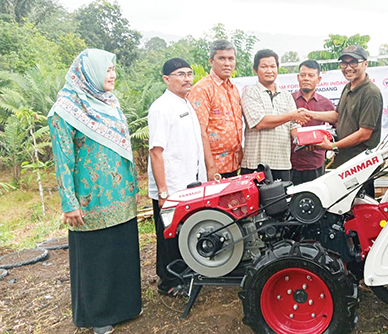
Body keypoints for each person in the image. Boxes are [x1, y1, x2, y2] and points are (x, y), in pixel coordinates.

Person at [48, 49, 141, 334]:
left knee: (121, 252)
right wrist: (69, 203)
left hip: (120, 196)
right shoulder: (64, 110)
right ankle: (98, 316)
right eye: (106, 69)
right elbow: (63, 159)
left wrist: (133, 185)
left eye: (113, 69)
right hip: (90, 201)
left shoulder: (109, 103)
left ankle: (126, 306)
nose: (112, 75)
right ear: (88, 72)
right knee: (96, 259)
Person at [148, 58, 209, 296]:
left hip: (189, 183)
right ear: (166, 79)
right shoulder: (161, 108)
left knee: (184, 232)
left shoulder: (185, 104)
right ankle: (169, 282)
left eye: (189, 74)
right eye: (180, 74)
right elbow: (156, 152)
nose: (186, 79)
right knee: (168, 236)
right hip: (171, 187)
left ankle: (186, 276)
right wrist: (163, 191)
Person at [310, 45, 383, 197]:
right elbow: (338, 116)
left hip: (360, 166)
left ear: (365, 64)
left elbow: (364, 134)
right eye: (344, 63)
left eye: (354, 62)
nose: (348, 68)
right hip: (345, 165)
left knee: (361, 211)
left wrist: (333, 145)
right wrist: (309, 114)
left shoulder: (371, 93)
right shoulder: (348, 87)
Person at [240, 49, 311, 181]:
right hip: (256, 164)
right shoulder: (250, 92)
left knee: (282, 201)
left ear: (277, 69)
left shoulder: (286, 95)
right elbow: (260, 123)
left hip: (282, 164)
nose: (269, 70)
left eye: (273, 66)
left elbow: (294, 128)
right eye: (264, 66)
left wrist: (308, 140)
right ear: (255, 70)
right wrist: (291, 116)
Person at [187, 40, 243, 179]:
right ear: (211, 61)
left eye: (231, 58)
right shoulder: (202, 89)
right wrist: (210, 167)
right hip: (212, 168)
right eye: (221, 58)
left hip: (233, 165)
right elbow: (200, 132)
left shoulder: (233, 88)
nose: (227, 63)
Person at [291, 60, 336, 185]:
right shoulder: (288, 100)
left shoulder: (326, 103)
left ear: (318, 79)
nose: (306, 78)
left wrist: (324, 142)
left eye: (311, 75)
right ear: (298, 77)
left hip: (315, 162)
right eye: (303, 75)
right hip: (290, 162)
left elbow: (336, 130)